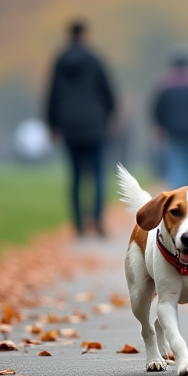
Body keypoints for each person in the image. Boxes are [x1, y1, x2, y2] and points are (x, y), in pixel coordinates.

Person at [45, 20, 117, 238]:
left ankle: (78, 223)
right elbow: (108, 94)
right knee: (97, 175)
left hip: (70, 126)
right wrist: (108, 117)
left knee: (75, 175)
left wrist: (52, 124)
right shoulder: (95, 60)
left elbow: (52, 94)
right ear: (84, 34)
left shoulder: (59, 61)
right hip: (94, 125)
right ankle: (96, 219)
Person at [151, 48, 188, 189]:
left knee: (176, 160)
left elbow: (158, 108)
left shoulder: (165, 84)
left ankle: (178, 188)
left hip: (172, 129)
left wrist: (160, 125)